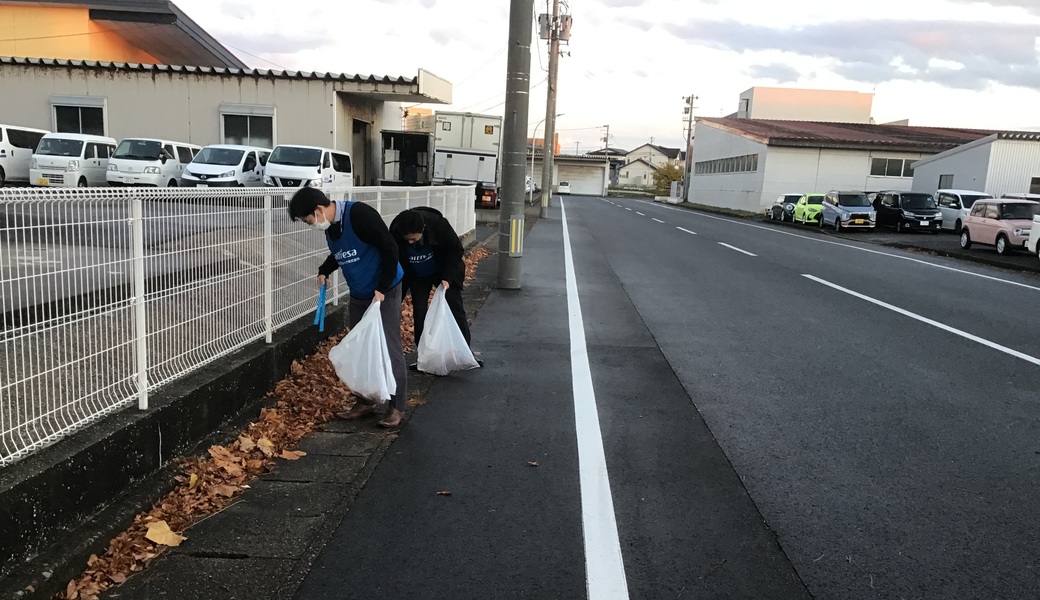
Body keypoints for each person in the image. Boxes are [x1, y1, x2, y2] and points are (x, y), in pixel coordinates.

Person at [288, 188, 407, 428]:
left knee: (389, 346)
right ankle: (365, 400)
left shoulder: (359, 215)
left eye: (307, 220)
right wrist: (324, 270)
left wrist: (382, 288)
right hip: (360, 293)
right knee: (359, 348)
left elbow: (390, 248)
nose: (309, 225)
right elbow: (338, 254)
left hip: (385, 290)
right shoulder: (331, 227)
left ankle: (397, 406)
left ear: (318, 210)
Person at [389, 207, 481, 368]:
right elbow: (392, 256)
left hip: (442, 270)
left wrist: (447, 278)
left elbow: (455, 250)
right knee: (420, 311)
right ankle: (424, 355)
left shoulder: (438, 225)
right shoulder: (397, 229)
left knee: (455, 308)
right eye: (407, 240)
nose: (410, 242)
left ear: (422, 230)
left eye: (414, 239)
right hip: (417, 274)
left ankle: (464, 352)